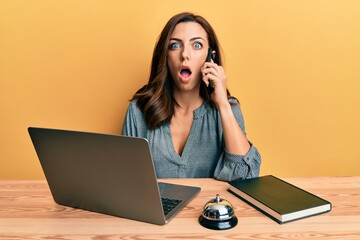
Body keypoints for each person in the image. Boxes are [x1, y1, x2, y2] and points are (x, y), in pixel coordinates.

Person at [122, 12, 261, 181]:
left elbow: (246, 178)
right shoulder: (139, 110)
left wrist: (223, 104)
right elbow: (127, 181)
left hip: (208, 207)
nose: (184, 55)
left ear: (210, 57)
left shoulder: (227, 109)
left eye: (196, 45)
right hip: (155, 208)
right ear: (165, 56)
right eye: (175, 46)